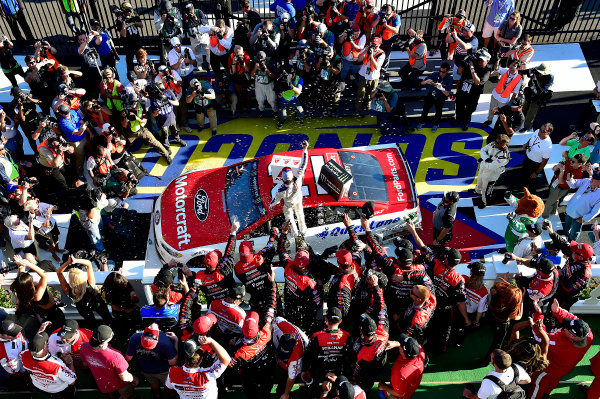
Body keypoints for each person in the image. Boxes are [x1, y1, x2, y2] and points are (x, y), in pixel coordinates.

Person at [528, 299, 593, 399]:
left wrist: (538, 314)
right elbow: (573, 318)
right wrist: (557, 311)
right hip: (565, 368)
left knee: (538, 384)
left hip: (548, 369)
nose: (564, 327)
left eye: (566, 328)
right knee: (554, 380)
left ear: (572, 336)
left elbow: (540, 337)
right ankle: (547, 393)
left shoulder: (558, 343)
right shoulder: (588, 335)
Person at [302, 307, 353, 399]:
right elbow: (351, 357)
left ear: (326, 320)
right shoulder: (347, 336)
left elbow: (308, 357)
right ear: (340, 321)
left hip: (319, 375)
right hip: (339, 376)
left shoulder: (316, 336)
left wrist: (305, 370)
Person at [277, 235, 322, 333]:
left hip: (289, 307)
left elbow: (281, 250)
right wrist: (320, 286)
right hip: (304, 314)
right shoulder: (309, 283)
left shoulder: (288, 265)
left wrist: (283, 233)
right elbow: (319, 303)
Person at [544, 222, 593, 310]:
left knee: (553, 312)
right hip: (557, 283)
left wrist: (559, 275)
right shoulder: (575, 254)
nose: (572, 250)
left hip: (564, 296)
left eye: (574, 250)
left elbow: (569, 289)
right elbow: (563, 243)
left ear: (580, 256)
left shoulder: (584, 274)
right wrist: (551, 231)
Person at [80, 325, 139, 398]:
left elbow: (85, 364)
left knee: (111, 394)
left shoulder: (84, 346)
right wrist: (133, 378)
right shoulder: (115, 355)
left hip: (102, 383)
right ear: (105, 341)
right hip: (119, 384)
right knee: (126, 394)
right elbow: (124, 377)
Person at [165, 335, 231, 398]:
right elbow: (226, 359)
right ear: (200, 361)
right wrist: (211, 341)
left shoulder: (172, 372)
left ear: (185, 358)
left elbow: (168, 387)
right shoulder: (208, 375)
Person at [55, 255, 112, 327]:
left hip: (82, 306)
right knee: (106, 316)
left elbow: (59, 272)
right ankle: (110, 327)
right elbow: (88, 263)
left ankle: (94, 332)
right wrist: (75, 260)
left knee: (91, 322)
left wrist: (67, 263)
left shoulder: (68, 290)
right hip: (96, 301)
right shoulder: (90, 284)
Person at [229, 311, 275, 399]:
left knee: (251, 393)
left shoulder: (239, 352)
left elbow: (230, 364)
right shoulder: (266, 333)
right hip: (266, 371)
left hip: (249, 376)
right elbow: (270, 316)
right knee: (266, 391)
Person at [194, 218, 239, 306]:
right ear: (218, 262)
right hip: (230, 306)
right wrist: (233, 232)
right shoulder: (224, 270)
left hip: (213, 309)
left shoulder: (199, 276)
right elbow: (230, 252)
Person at [125, 323, 178, 399]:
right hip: (163, 371)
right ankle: (172, 396)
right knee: (168, 387)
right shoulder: (164, 340)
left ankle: (157, 396)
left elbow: (128, 358)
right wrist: (176, 341)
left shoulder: (135, 337)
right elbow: (173, 362)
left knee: (153, 385)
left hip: (145, 370)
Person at [21, 332, 77, 398]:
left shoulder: (24, 355)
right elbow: (72, 381)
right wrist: (70, 362)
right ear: (44, 347)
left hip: (39, 385)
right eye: (45, 342)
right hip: (58, 390)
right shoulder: (56, 365)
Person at [270, 142, 309, 237]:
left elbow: (276, 200)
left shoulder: (281, 190)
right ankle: (303, 232)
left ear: (283, 179)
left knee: (289, 219)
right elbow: (303, 164)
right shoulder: (298, 179)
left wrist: (271, 205)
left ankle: (295, 235)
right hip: (298, 200)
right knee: (300, 215)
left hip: (288, 205)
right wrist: (305, 150)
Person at [463, 349, 530, 399]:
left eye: (491, 358)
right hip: (514, 395)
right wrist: (512, 383)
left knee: (469, 387)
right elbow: (528, 380)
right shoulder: (517, 368)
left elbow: (479, 398)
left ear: (494, 363)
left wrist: (469, 395)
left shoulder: (488, 383)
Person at [377, 334, 425, 399]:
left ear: (402, 351)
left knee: (381, 392)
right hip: (411, 384)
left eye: (401, 344)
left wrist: (384, 387)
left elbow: (400, 394)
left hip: (403, 394)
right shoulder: (419, 350)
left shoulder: (400, 373)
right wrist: (395, 343)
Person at [542, 154, 589, 220]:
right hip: (555, 183)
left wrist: (562, 172)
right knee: (554, 199)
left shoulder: (578, 174)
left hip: (562, 188)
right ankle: (553, 211)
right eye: (571, 160)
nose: (570, 162)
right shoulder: (569, 161)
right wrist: (557, 166)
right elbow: (553, 169)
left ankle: (544, 216)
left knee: (549, 202)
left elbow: (562, 182)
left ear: (579, 164)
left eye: (573, 161)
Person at [455, 48, 492, 130]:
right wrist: (464, 62)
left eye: (482, 61)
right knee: (459, 107)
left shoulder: (487, 70)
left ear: (487, 61)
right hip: (462, 91)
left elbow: (477, 82)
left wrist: (472, 68)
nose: (479, 62)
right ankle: (458, 119)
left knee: (469, 110)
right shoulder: (472, 62)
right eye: (479, 60)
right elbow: (459, 72)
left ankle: (465, 122)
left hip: (473, 94)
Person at [272, 317, 309, 399]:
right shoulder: (279, 322)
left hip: (301, 355)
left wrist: (286, 394)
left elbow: (291, 378)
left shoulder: (296, 356)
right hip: (291, 333)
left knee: (283, 387)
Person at [352, 314, 388, 392]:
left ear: (361, 331)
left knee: (366, 385)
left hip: (368, 368)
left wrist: (354, 379)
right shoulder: (384, 334)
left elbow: (357, 367)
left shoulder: (360, 350)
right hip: (380, 362)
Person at [482, 59, 522, 128]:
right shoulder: (506, 71)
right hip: (495, 95)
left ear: (518, 68)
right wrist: (497, 60)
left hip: (504, 99)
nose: (511, 66)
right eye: (511, 64)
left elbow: (516, 92)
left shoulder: (519, 79)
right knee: (491, 109)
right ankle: (489, 120)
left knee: (501, 113)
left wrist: (510, 103)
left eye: (514, 65)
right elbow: (497, 68)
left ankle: (499, 124)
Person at [562, 170, 600, 241]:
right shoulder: (587, 181)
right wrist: (570, 179)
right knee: (567, 224)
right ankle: (565, 232)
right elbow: (574, 184)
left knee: (574, 232)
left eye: (595, 178)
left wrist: (583, 219)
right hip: (570, 210)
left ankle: (571, 244)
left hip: (578, 217)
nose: (591, 178)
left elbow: (595, 212)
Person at [416, 62, 453, 133]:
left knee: (439, 111)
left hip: (440, 97)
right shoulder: (435, 74)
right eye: (440, 71)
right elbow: (421, 83)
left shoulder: (449, 78)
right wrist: (426, 81)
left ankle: (436, 124)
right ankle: (422, 122)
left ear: (447, 71)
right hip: (431, 95)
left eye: (443, 72)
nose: (441, 73)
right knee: (425, 109)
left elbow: (447, 93)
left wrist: (441, 88)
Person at [168, 37, 195, 133]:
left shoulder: (188, 50)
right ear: (172, 46)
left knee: (188, 99)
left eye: (178, 45)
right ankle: (178, 124)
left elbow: (195, 63)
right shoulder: (171, 54)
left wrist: (189, 61)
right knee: (180, 101)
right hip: (178, 77)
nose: (177, 48)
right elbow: (173, 68)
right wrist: (179, 62)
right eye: (175, 47)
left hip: (189, 75)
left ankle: (186, 123)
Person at [101, 272, 141, 337]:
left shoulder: (106, 292)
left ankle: (122, 333)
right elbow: (136, 300)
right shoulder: (128, 291)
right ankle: (132, 332)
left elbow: (108, 300)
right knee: (132, 322)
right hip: (129, 310)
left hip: (117, 311)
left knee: (121, 323)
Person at [476, 134, 511, 208]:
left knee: (487, 186)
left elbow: (491, 167)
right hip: (485, 164)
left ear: (504, 144)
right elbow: (483, 150)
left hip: (493, 172)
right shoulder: (493, 143)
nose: (495, 143)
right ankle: (478, 190)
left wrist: (484, 160)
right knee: (479, 178)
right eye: (496, 141)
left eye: (498, 143)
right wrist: (486, 158)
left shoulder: (504, 156)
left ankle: (484, 201)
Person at [57, 103, 88, 178]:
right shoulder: (63, 123)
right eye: (66, 114)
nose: (68, 114)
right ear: (61, 114)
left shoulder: (73, 112)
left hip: (85, 137)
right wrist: (83, 129)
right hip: (76, 142)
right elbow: (78, 133)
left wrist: (88, 131)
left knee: (89, 151)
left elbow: (81, 122)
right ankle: (80, 174)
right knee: (80, 159)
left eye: (68, 112)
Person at [520, 63, 555, 132]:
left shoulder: (550, 77)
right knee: (525, 107)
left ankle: (527, 127)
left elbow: (541, 91)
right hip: (531, 91)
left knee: (532, 111)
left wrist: (535, 81)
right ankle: (520, 121)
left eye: (542, 73)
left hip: (540, 95)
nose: (540, 74)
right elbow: (523, 71)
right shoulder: (535, 70)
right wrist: (527, 71)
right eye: (539, 72)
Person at [355, 36, 385, 113]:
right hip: (363, 75)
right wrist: (365, 51)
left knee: (371, 94)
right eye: (373, 44)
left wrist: (371, 56)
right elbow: (359, 59)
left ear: (379, 45)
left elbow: (377, 67)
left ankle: (369, 107)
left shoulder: (381, 54)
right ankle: (358, 109)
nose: (374, 46)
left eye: (376, 45)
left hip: (373, 77)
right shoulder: (367, 49)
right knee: (360, 93)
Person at [520, 123, 553, 194]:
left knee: (533, 180)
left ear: (548, 133)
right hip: (527, 157)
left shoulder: (548, 146)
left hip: (535, 164)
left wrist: (536, 172)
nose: (540, 132)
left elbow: (544, 162)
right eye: (541, 129)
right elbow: (532, 138)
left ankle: (532, 194)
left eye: (543, 131)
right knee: (524, 174)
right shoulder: (537, 131)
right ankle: (523, 186)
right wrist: (526, 144)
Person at [374, 3, 400, 75]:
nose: (386, 16)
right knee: (376, 54)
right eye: (385, 14)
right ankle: (375, 68)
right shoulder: (380, 14)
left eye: (388, 15)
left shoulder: (396, 17)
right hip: (378, 39)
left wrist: (386, 25)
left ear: (392, 12)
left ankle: (382, 72)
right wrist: (379, 18)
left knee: (386, 57)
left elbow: (396, 31)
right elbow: (372, 25)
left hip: (388, 39)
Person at [116, 1, 143, 72]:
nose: (130, 12)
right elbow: (123, 34)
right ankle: (130, 72)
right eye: (128, 10)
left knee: (140, 56)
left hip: (137, 40)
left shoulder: (134, 15)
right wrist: (123, 23)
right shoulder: (119, 19)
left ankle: (142, 69)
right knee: (129, 59)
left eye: (130, 9)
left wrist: (132, 21)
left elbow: (141, 25)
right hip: (128, 43)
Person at [250, 51, 278, 117]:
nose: (260, 61)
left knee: (272, 99)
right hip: (259, 83)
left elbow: (273, 76)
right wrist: (255, 68)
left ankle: (275, 110)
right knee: (259, 99)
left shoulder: (270, 60)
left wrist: (267, 70)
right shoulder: (254, 61)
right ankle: (260, 110)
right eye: (258, 60)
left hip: (269, 83)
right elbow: (251, 75)